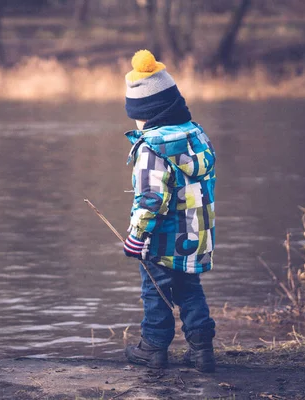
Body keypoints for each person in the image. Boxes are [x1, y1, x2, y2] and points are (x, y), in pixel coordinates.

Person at [121, 50, 217, 372]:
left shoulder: (151, 149)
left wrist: (136, 237)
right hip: (196, 236)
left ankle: (153, 348)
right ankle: (202, 350)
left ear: (147, 114)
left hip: (162, 241)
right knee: (190, 290)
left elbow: (150, 198)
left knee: (156, 292)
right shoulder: (197, 137)